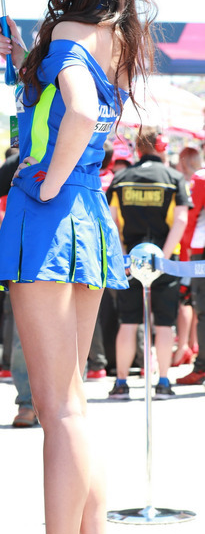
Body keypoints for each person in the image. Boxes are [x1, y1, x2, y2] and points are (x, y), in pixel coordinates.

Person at [0, 0, 156, 534]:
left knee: (57, 411)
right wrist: (24, 60)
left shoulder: (66, 36)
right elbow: (81, 97)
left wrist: (48, 182)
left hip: (50, 214)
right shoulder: (119, 35)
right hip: (90, 218)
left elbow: (80, 110)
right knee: (72, 407)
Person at [108, 127, 189, 399]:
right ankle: (163, 383)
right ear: (162, 146)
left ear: (137, 150)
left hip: (130, 259)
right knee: (164, 324)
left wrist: (123, 255)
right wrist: (163, 257)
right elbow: (180, 220)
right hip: (166, 260)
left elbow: (110, 220)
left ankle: (121, 384)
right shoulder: (174, 177)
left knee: (128, 322)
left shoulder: (120, 179)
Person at [0, 151, 37, 426]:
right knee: (25, 330)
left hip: (65, 250)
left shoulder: (79, 145)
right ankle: (27, 402)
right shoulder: (19, 159)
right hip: (28, 254)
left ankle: (60, 401)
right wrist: (4, 232)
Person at [176, 160, 205, 384]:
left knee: (202, 311)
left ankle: (202, 367)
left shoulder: (201, 178)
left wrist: (186, 248)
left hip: (200, 251)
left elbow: (191, 216)